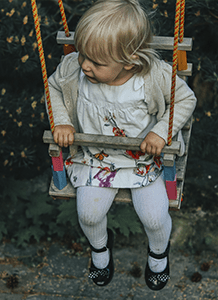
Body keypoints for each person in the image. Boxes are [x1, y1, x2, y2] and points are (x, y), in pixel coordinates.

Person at [47, 0, 196, 291]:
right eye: (83, 55)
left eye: (97, 62)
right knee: (88, 214)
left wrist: (161, 132)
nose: (85, 65)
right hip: (94, 158)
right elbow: (52, 87)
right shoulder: (73, 68)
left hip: (143, 160)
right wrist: (61, 121)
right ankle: (100, 250)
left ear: (130, 61)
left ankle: (158, 255)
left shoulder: (153, 75)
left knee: (154, 218)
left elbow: (186, 99)